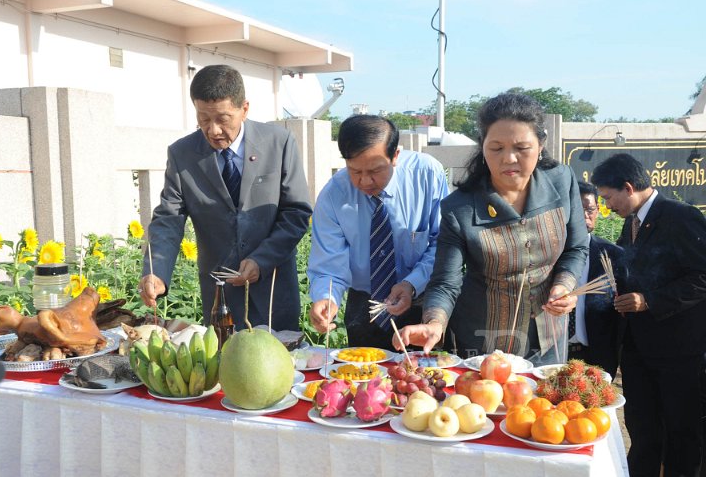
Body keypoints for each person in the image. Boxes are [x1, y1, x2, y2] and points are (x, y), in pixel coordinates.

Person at [394, 93, 588, 362]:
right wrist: (434, 323)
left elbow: (577, 248)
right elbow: (445, 282)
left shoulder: (561, 180)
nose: (509, 158)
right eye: (496, 148)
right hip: (483, 341)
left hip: (548, 338)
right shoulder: (459, 208)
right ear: (482, 147)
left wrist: (564, 285)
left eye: (521, 148)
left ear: (541, 145)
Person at [139, 65, 312, 330]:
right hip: (221, 298)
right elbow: (168, 219)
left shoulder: (279, 143)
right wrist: (156, 271)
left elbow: (296, 212)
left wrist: (261, 259)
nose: (214, 130)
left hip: (273, 292)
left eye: (223, 118)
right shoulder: (182, 154)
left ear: (244, 108)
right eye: (203, 119)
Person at [591, 153, 706, 477]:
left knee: (681, 433)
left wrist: (649, 300)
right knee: (642, 430)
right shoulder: (631, 222)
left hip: (678, 350)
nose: (606, 207)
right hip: (638, 350)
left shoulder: (681, 216)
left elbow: (702, 276)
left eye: (607, 197)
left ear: (628, 188)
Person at [307, 114, 449, 350]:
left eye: (374, 170)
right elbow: (328, 263)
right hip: (365, 302)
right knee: (364, 374)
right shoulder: (334, 195)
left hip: (423, 298)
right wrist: (326, 298)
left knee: (423, 377)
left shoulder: (427, 175)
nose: (364, 181)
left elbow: (442, 243)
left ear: (395, 156)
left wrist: (411, 283)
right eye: (354, 171)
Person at [567, 181, 624, 377]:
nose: (584, 215)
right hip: (555, 353)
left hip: (598, 354)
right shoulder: (550, 254)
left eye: (589, 209)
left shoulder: (612, 255)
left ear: (597, 211)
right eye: (578, 209)